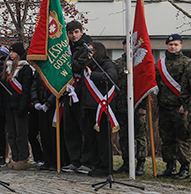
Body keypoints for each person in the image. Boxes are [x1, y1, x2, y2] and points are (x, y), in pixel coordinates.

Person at [78, 41, 119, 177]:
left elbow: (111, 78)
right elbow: (84, 88)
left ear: (98, 51)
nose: (89, 53)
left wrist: (92, 75)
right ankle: (96, 165)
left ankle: (106, 167)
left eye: (91, 51)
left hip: (101, 108)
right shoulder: (88, 65)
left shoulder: (106, 64)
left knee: (103, 140)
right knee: (91, 139)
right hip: (88, 107)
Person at [155, 34, 191, 179]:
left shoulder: (187, 63)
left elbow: (188, 87)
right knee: (166, 137)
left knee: (182, 138)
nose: (173, 47)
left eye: (176, 45)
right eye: (170, 45)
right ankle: (170, 166)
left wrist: (186, 105)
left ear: (181, 46)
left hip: (180, 107)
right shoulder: (160, 64)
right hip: (164, 106)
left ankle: (185, 167)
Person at [113, 39, 150, 176]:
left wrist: (143, 106)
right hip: (121, 107)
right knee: (123, 136)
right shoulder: (117, 64)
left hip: (137, 106)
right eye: (126, 45)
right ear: (123, 46)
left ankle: (140, 164)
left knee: (140, 136)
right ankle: (126, 162)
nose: (128, 47)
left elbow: (146, 85)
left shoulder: (141, 63)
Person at [61, 20, 92, 172]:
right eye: (70, 33)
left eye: (76, 32)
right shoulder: (66, 47)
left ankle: (86, 161)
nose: (73, 36)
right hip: (68, 92)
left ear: (81, 31)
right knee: (70, 128)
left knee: (84, 128)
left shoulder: (87, 47)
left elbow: (79, 66)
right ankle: (75, 160)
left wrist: (66, 55)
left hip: (82, 93)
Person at [0, 42, 33, 170]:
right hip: (9, 105)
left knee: (21, 134)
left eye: (13, 52)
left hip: (20, 106)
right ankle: (15, 157)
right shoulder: (7, 68)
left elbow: (26, 90)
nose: (11, 54)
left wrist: (22, 106)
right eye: (10, 52)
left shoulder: (25, 69)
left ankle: (23, 158)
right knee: (12, 133)